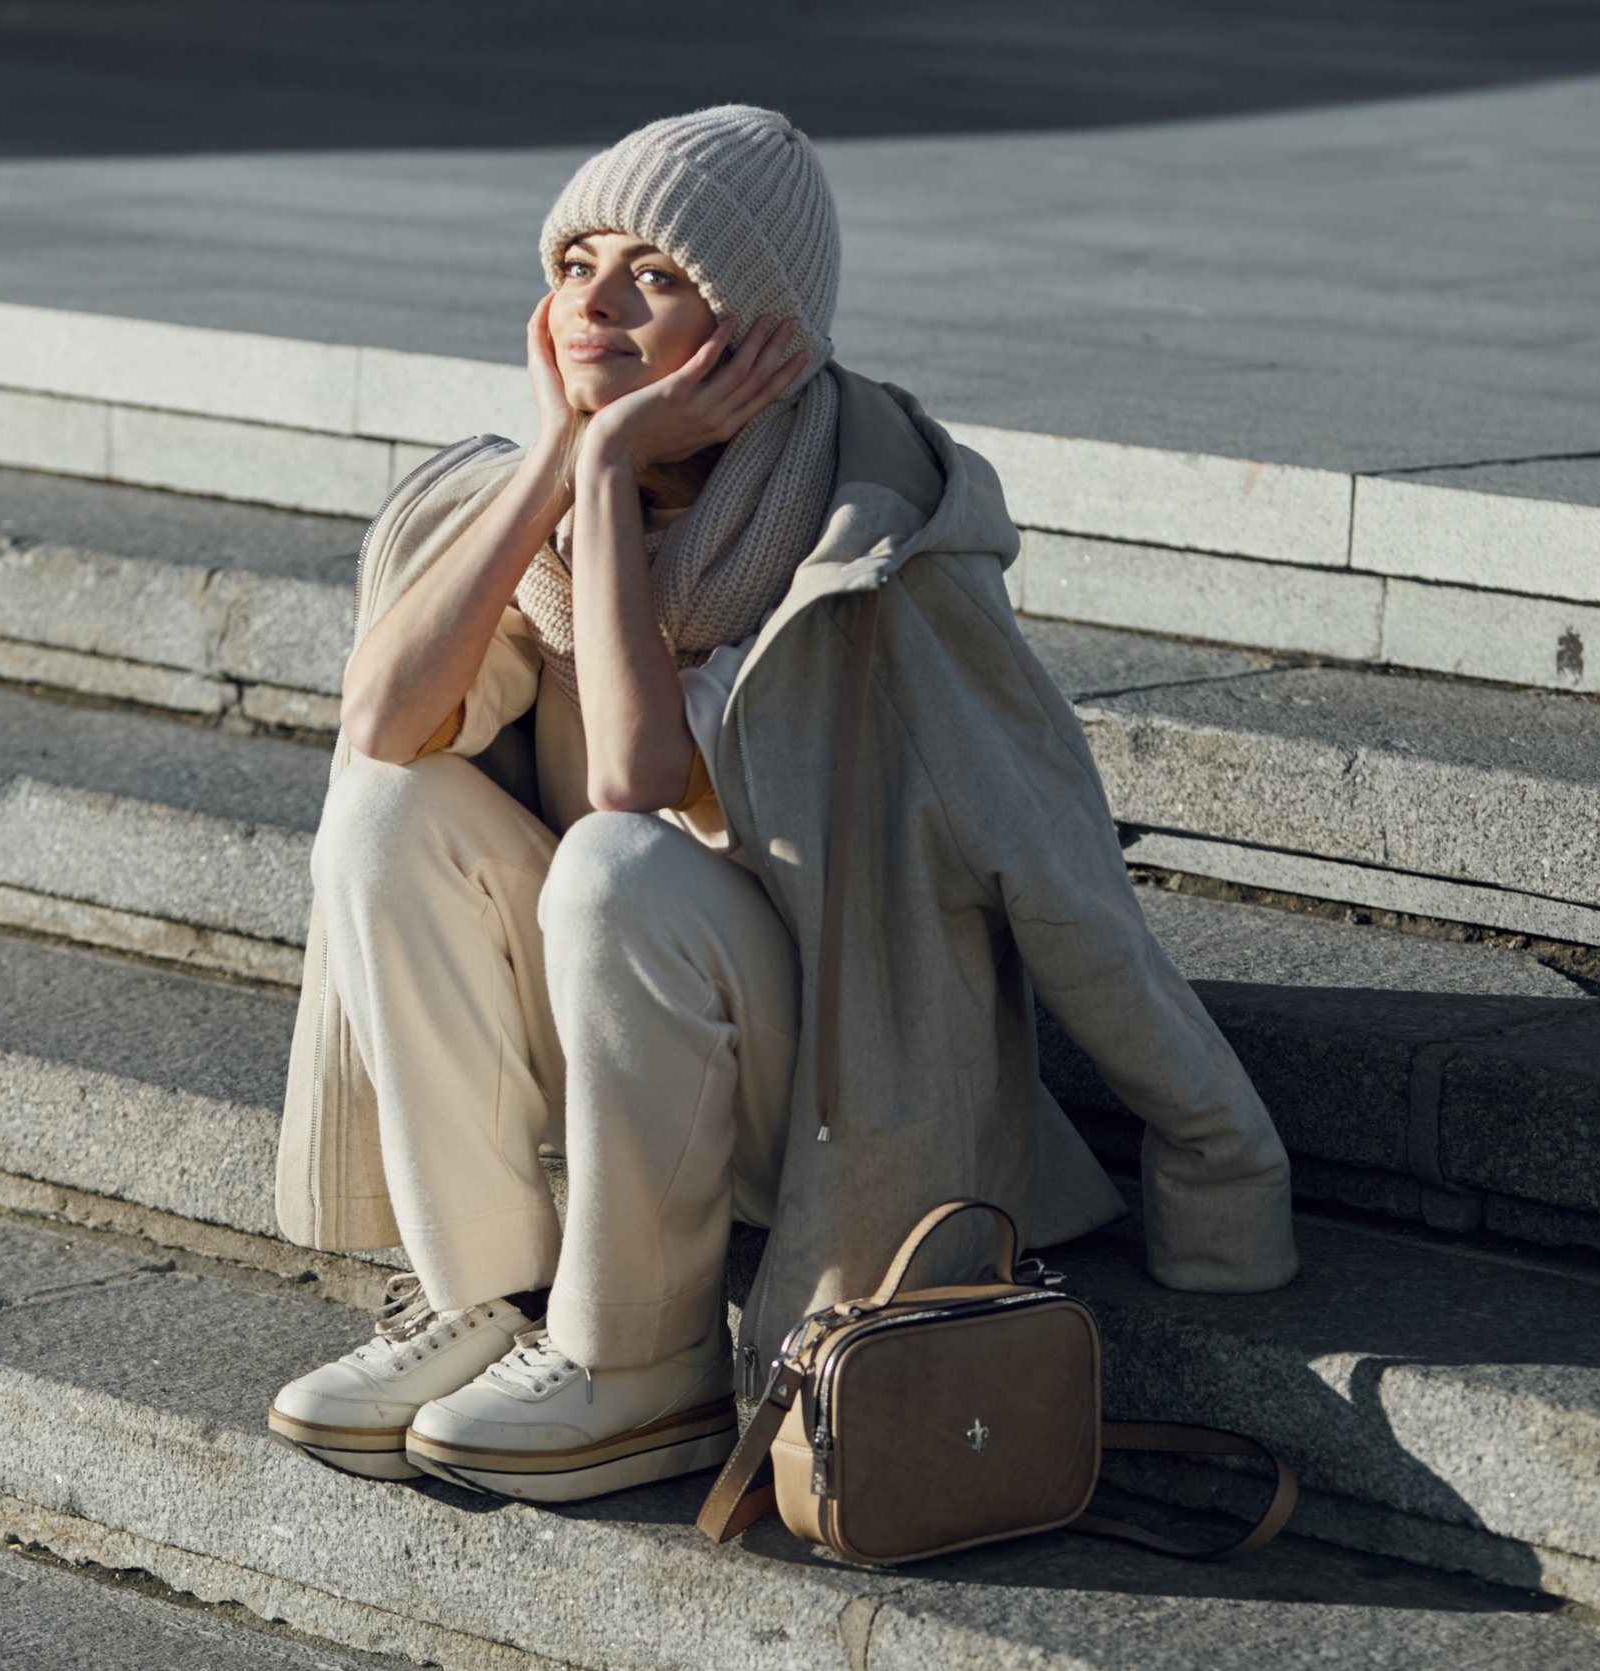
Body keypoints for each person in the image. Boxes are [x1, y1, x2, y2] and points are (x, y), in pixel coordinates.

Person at [267, 106, 1295, 1503]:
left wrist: (1219, 1170)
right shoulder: (560, 517)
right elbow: (381, 726)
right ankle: (492, 1298)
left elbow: (1057, 876)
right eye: (576, 265)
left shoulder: (870, 545)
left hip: (822, 1074)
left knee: (617, 863)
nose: (598, 304)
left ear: (759, 327)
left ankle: (636, 1361)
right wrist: (553, 460)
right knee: (390, 815)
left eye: (657, 274)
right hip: (622, 1057)